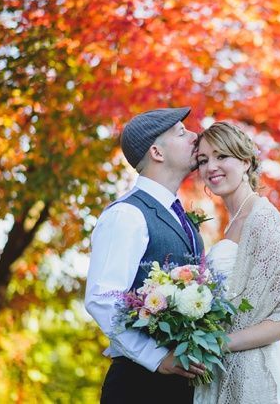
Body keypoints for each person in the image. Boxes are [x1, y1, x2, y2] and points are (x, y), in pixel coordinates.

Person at [84, 107, 207, 403]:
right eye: (181, 132)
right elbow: (102, 298)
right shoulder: (127, 214)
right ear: (157, 152)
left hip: (182, 385)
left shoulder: (181, 216)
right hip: (139, 386)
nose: (195, 137)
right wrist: (156, 358)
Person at [193, 121, 280, 403]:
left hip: (256, 376)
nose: (211, 167)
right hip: (224, 373)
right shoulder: (232, 223)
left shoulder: (262, 217)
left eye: (222, 156)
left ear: (245, 162)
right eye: (203, 160)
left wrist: (218, 344)